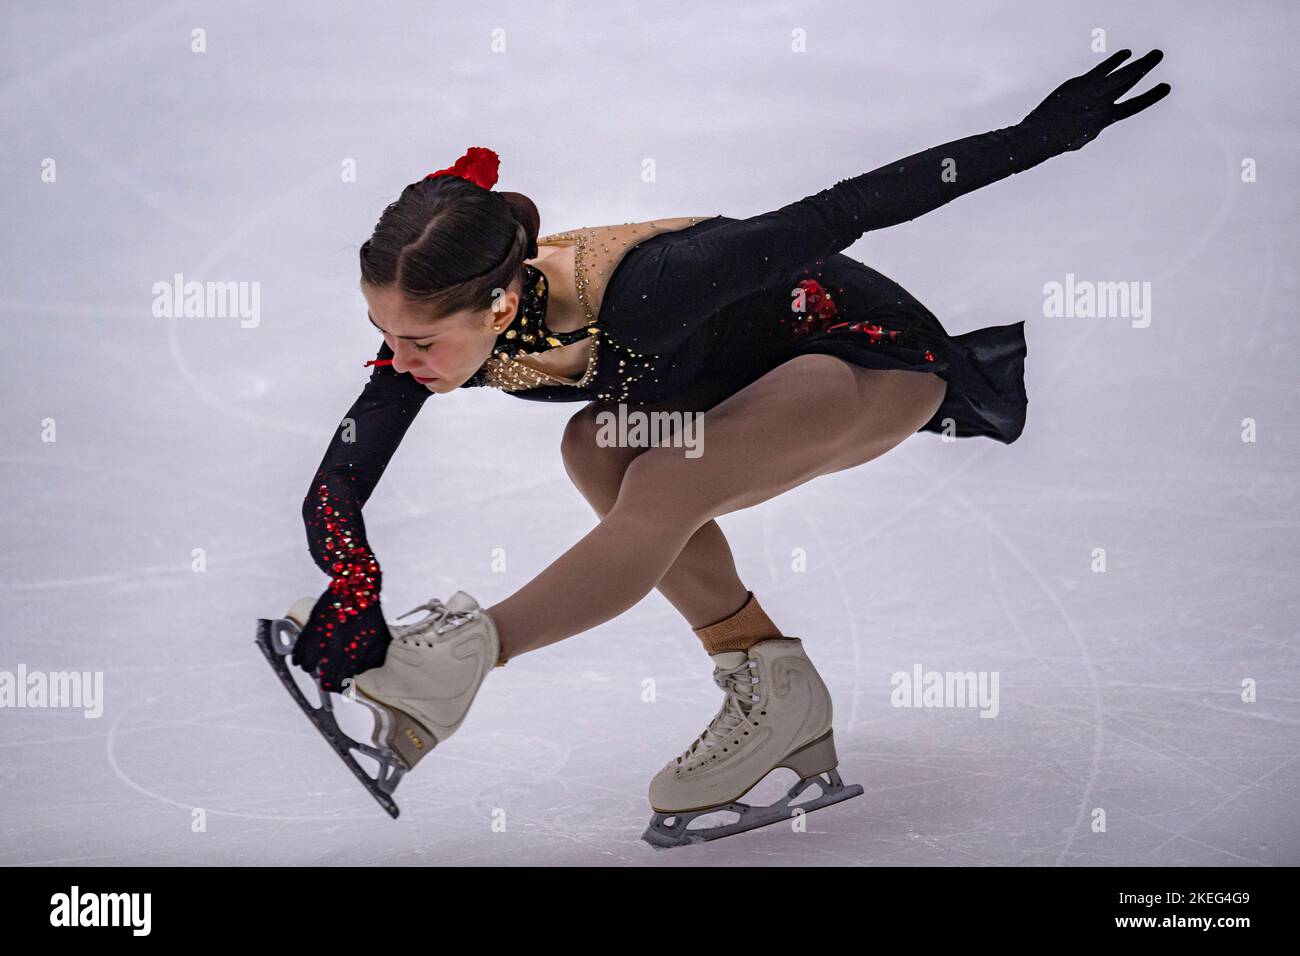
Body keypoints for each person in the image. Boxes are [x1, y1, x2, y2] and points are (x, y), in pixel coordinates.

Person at [274, 49, 1170, 843]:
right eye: (385, 333)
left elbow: (842, 210)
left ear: (499, 307)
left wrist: (1036, 139)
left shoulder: (651, 287)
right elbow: (338, 484)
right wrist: (356, 584)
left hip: (865, 365)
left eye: (419, 344)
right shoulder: (445, 341)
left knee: (666, 471)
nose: (398, 361)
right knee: (594, 445)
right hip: (731, 391)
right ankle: (770, 683)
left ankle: (467, 660)